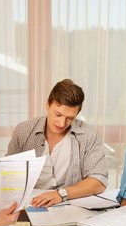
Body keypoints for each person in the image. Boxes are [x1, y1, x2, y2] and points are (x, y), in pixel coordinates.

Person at [6, 79, 108, 207]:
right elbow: (7, 174)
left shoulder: (88, 134)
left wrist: (61, 194)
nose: (61, 123)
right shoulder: (23, 131)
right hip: (30, 204)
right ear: (47, 105)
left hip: (69, 204)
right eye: (57, 114)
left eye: (70, 118)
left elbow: (99, 181)